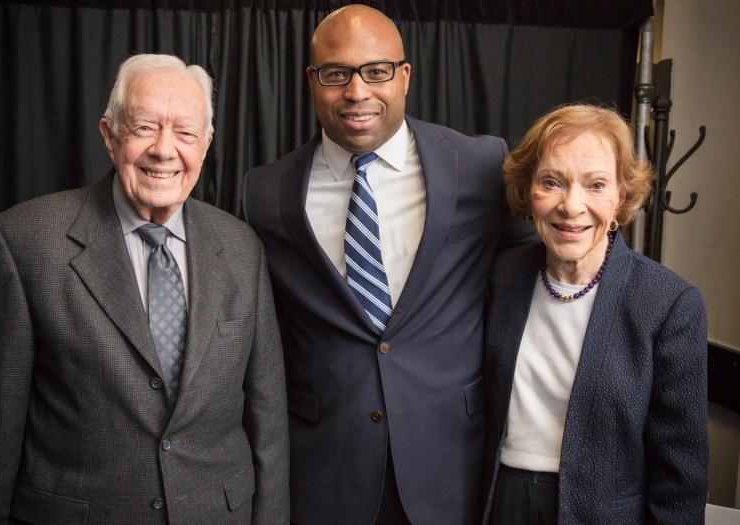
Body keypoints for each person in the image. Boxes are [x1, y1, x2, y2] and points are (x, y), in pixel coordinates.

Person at [240, 5, 537, 525]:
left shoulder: (480, 166)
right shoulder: (264, 193)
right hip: (324, 468)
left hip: (450, 464)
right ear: (312, 81)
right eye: (336, 74)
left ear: (404, 76)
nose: (357, 92)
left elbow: (543, 264)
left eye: (376, 71)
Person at [0, 54, 289, 525]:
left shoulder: (241, 247)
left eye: (185, 133)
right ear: (109, 134)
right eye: (143, 128)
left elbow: (268, 421)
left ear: (207, 144)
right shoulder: (23, 243)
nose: (164, 149)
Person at [481, 104, 708, 525]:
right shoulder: (502, 276)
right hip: (499, 501)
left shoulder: (668, 303)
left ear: (621, 196)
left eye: (596, 184)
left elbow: (681, 471)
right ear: (528, 191)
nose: (571, 206)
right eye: (552, 182)